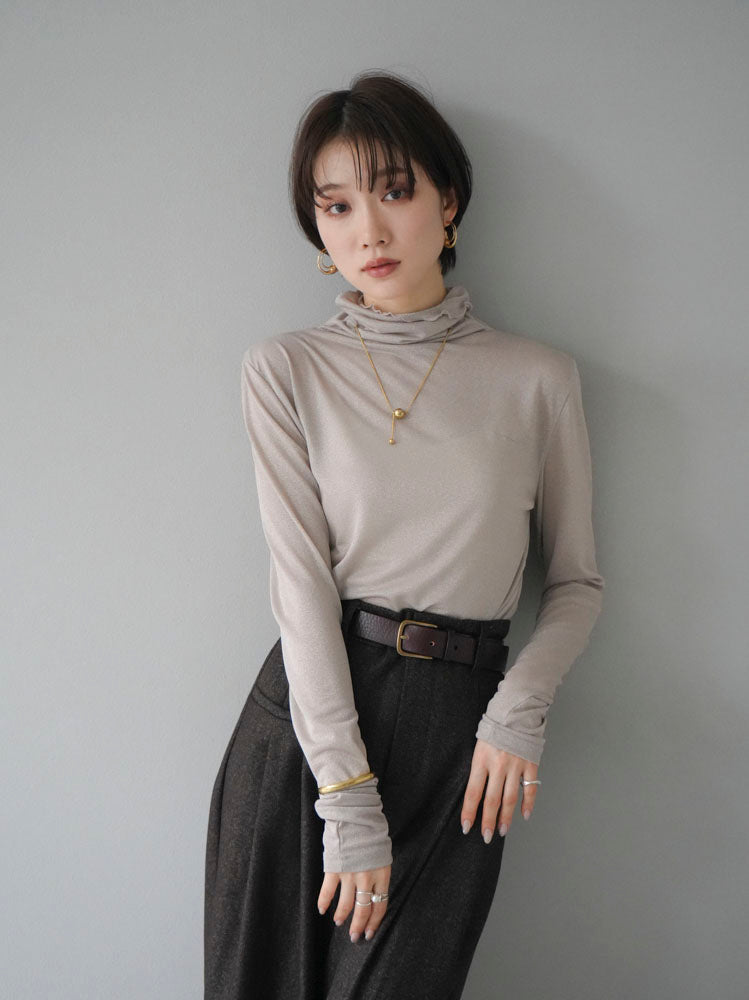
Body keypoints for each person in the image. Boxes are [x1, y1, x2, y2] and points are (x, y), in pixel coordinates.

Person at [204, 69, 605, 999]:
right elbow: (299, 588)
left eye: (393, 191)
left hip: (463, 735)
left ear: (447, 201)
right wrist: (345, 796)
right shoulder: (285, 369)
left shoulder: (537, 379)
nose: (368, 233)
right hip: (310, 725)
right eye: (336, 206)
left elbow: (576, 583)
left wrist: (518, 709)